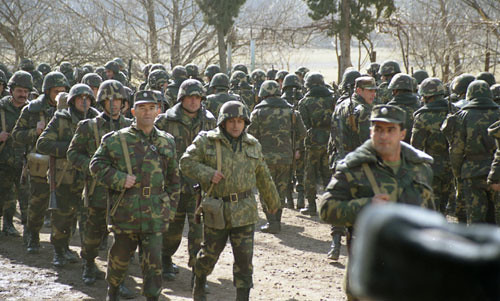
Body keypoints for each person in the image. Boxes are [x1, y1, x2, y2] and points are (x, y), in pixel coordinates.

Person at [319, 104, 435, 300]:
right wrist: (365, 206)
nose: (383, 136)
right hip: (368, 268)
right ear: (370, 131)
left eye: (390, 130)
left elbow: (431, 215)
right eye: (378, 129)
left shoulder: (421, 168)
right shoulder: (352, 167)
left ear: (402, 134)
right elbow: (326, 209)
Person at [180, 101, 280, 301]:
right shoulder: (207, 141)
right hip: (217, 209)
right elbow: (185, 162)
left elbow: (263, 175)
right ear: (223, 123)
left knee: (244, 261)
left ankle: (242, 297)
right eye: (231, 121)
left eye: (240, 121)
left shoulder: (252, 144)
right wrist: (207, 173)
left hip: (244, 210)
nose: (236, 125)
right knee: (209, 255)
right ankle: (199, 282)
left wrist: (273, 203)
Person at [90, 90, 180, 301]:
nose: (147, 112)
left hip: (156, 213)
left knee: (154, 264)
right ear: (132, 111)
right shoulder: (116, 139)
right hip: (126, 212)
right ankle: (112, 293)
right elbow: (96, 165)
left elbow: (175, 180)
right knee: (119, 259)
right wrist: (119, 178)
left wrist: (169, 209)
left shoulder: (167, 141)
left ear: (158, 111)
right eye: (142, 108)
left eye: (151, 108)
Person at [67, 80, 134, 297]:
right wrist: (96, 168)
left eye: (118, 101)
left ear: (124, 103)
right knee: (92, 234)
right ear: (102, 102)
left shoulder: (131, 127)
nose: (114, 105)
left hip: (124, 193)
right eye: (108, 100)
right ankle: (88, 263)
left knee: (122, 239)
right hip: (97, 190)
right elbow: (72, 154)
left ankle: (118, 278)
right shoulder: (88, 126)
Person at [154, 79, 216, 282]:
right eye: (190, 97)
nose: (193, 101)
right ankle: (164, 260)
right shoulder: (165, 121)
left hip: (200, 186)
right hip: (172, 185)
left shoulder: (209, 121)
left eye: (197, 97)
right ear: (182, 98)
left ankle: (199, 275)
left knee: (198, 232)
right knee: (171, 229)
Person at [36, 83, 99, 267]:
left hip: (89, 178)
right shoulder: (61, 119)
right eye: (80, 98)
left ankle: (88, 258)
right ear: (72, 100)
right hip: (65, 177)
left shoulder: (96, 119)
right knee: (62, 218)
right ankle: (59, 250)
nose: (84, 102)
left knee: (88, 220)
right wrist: (72, 148)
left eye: (88, 98)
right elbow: (43, 144)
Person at [12, 71, 70, 254]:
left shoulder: (71, 109)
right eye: (56, 90)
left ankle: (61, 246)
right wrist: (34, 133)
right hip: (39, 164)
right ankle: (32, 236)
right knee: (37, 204)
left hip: (64, 165)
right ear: (47, 91)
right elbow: (16, 135)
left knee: (64, 209)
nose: (60, 94)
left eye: (63, 90)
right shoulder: (31, 110)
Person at [247, 80, 306, 234]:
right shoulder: (292, 111)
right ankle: (277, 221)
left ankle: (271, 221)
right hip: (286, 157)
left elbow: (249, 136)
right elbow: (302, 132)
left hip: (264, 159)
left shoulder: (257, 112)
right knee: (281, 189)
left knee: (265, 189)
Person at [448, 80, 500, 225]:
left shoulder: (462, 116)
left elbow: (456, 150)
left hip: (472, 173)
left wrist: (458, 173)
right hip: (498, 172)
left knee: (475, 219)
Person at [411, 78, 455, 214]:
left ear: (425, 96)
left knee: (432, 207)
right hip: (453, 166)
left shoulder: (423, 116)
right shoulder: (454, 111)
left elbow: (416, 147)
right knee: (446, 206)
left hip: (432, 167)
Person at [297, 72, 335, 216]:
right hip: (330, 140)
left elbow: (304, 125)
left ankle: (311, 206)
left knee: (310, 174)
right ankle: (331, 205)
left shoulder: (304, 102)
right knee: (328, 173)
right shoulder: (332, 99)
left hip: (311, 142)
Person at [0, 71, 32, 237]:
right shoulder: (1, 108)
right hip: (3, 160)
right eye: (19, 91)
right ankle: (7, 224)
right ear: (11, 90)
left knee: (26, 197)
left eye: (26, 92)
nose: (23, 95)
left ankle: (28, 231)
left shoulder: (32, 111)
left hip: (24, 162)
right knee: (4, 196)